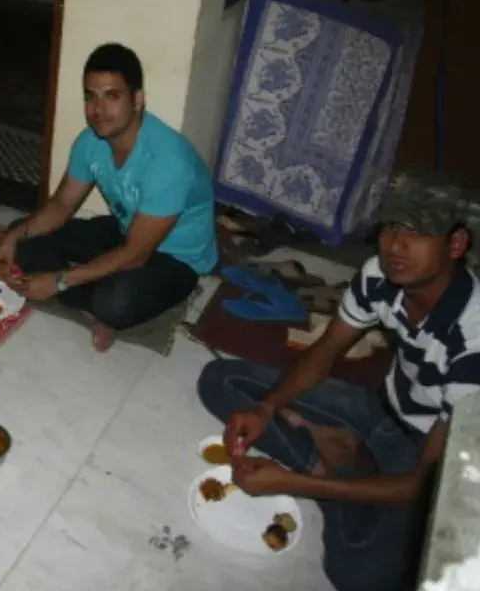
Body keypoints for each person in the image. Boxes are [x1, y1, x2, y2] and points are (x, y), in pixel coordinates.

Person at [197, 193, 477, 591]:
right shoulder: (380, 276)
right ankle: (337, 462)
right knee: (219, 381)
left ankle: (335, 470)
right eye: (390, 229)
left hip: (427, 455)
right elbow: (327, 349)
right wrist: (267, 408)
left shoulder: (473, 344)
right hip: (378, 407)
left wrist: (296, 483)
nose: (396, 246)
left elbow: (426, 484)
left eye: (417, 233)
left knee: (360, 578)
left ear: (455, 244)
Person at [0, 43, 217, 351]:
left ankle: (97, 304)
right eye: (91, 96)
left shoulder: (168, 162)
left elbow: (135, 255)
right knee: (24, 235)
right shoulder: (91, 141)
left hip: (176, 258)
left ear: (137, 100)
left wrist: (59, 281)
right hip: (127, 229)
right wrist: (13, 237)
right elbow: (61, 205)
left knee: (115, 302)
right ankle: (91, 299)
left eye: (112, 96)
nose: (98, 109)